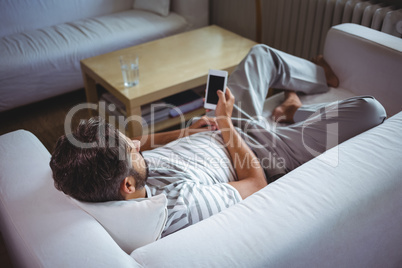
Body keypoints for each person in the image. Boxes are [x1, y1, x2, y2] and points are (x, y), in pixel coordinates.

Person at [50, 44, 386, 237]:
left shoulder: (110, 173)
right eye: (132, 149)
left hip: (218, 128)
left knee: (260, 55)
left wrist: (189, 131)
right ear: (126, 186)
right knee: (370, 109)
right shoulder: (179, 206)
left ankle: (314, 78)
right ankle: (294, 111)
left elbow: (137, 141)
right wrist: (226, 124)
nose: (138, 144)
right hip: (261, 149)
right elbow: (255, 183)